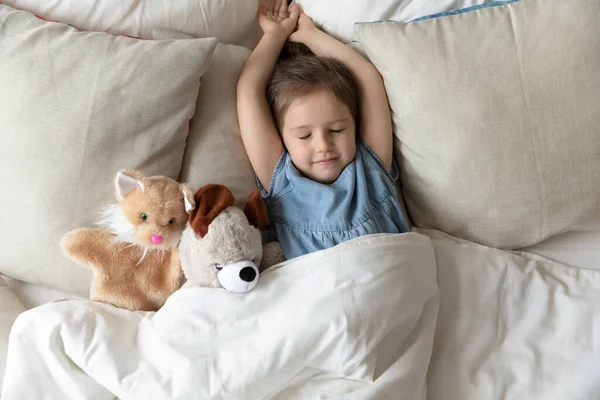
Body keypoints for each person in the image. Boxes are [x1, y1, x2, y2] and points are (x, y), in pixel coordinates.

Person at [237, 0, 409, 260]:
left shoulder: (371, 169)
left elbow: (367, 77)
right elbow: (249, 89)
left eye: (337, 130)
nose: (323, 145)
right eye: (305, 135)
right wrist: (274, 36)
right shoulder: (283, 182)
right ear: (282, 138)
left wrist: (310, 35)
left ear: (354, 124)